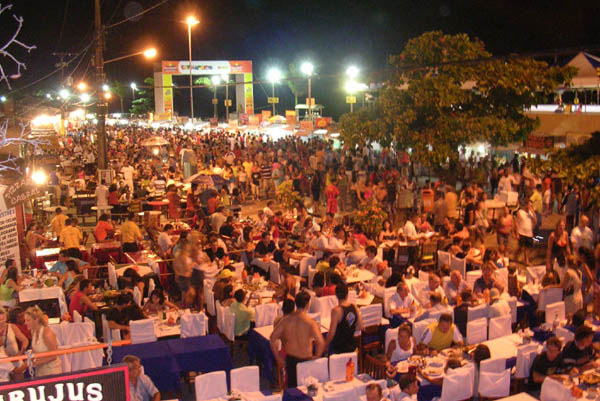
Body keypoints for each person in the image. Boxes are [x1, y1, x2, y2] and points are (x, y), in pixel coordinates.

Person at [270, 291, 326, 388]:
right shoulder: (311, 323)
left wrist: (278, 358)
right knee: (306, 390)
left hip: (291, 360)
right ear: (308, 304)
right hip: (306, 359)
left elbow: (272, 338)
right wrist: (317, 356)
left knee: (292, 390)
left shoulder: (286, 320)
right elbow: (321, 343)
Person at [324, 283, 363, 354]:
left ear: (336, 295)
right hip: (352, 346)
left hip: (340, 348)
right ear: (347, 295)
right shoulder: (354, 307)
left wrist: (325, 344)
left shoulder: (336, 311)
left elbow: (332, 333)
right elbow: (360, 326)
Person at [24, 307, 61, 376]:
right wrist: (29, 358)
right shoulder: (33, 331)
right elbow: (34, 351)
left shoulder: (47, 333)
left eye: (28, 320)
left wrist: (34, 363)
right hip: (40, 369)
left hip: (52, 371)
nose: (25, 323)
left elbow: (53, 356)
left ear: (37, 320)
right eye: (25, 320)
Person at [0, 307, 28, 380]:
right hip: (3, 361)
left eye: (3, 319)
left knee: (20, 384)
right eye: (0, 320)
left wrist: (21, 353)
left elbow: (25, 340)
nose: (1, 322)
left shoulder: (12, 327)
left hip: (16, 360)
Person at [514, 199, 537, 266]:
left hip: (529, 233)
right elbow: (517, 223)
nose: (529, 207)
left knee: (527, 248)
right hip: (522, 232)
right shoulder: (520, 212)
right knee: (521, 247)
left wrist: (533, 213)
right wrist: (517, 233)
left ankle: (526, 261)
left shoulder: (531, 213)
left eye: (531, 205)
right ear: (525, 205)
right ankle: (516, 255)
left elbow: (535, 222)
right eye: (529, 205)